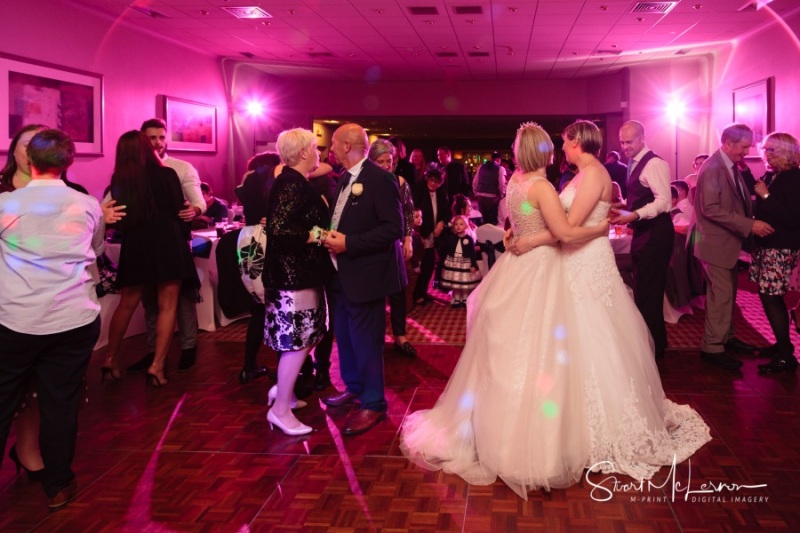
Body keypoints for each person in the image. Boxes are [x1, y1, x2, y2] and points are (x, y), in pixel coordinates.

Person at [400, 120, 711, 499]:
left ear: (577, 142)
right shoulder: (570, 177)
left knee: (593, 342)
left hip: (584, 263)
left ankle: (580, 425)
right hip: (568, 259)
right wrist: (534, 235)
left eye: (564, 141)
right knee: (567, 344)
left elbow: (566, 227)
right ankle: (556, 423)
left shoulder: (585, 175)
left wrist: (530, 237)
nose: (561, 148)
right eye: (557, 143)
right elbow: (562, 226)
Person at [0, 129, 104, 511]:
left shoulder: (7, 204)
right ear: (67, 162)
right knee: (60, 403)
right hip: (72, 318)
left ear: (29, 161)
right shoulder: (87, 204)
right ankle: (58, 485)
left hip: (18, 318)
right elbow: (93, 249)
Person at [321, 123, 405, 436]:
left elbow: (392, 229)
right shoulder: (344, 178)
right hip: (341, 273)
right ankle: (354, 387)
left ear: (346, 146)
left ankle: (374, 403)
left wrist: (348, 244)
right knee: (344, 335)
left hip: (367, 273)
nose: (330, 149)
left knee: (367, 342)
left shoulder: (380, 179)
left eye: (333, 143)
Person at [102, 131, 198, 386]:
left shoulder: (119, 179)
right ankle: (157, 366)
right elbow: (180, 210)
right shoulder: (167, 174)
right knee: (168, 306)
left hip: (135, 245)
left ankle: (110, 359)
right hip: (167, 243)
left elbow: (119, 218)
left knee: (127, 303)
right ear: (148, 148)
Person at [263, 128, 332, 435]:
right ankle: (279, 412)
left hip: (296, 276)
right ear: (304, 153)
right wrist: (317, 235)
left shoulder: (294, 181)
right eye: (316, 148)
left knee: (300, 341)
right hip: (293, 279)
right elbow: (280, 231)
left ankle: (285, 394)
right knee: (297, 343)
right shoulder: (291, 183)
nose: (319, 153)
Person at [126, 118, 206, 375]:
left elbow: (198, 202)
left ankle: (188, 347)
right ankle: (154, 352)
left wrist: (193, 210)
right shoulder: (132, 170)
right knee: (150, 300)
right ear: (142, 140)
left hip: (172, 240)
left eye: (161, 137)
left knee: (181, 298)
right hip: (145, 243)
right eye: (152, 138)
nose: (158, 143)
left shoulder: (180, 168)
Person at [692, 123, 774, 371]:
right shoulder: (713, 167)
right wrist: (750, 225)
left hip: (725, 243)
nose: (747, 151)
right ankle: (712, 347)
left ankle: (726, 337)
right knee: (721, 296)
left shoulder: (729, 164)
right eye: (744, 146)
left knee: (727, 295)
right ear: (728, 144)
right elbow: (711, 208)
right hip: (714, 243)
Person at [610, 120, 674, 360]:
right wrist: (619, 206)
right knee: (645, 292)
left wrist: (634, 215)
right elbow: (639, 198)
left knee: (649, 294)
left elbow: (664, 202)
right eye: (622, 142)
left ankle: (653, 352)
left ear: (642, 138)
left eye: (629, 142)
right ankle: (654, 346)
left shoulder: (654, 163)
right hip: (644, 234)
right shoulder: (634, 163)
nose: (625, 147)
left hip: (656, 235)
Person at [749, 133, 800, 374]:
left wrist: (766, 196)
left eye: (772, 150)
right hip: (767, 245)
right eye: (765, 149)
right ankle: (782, 345)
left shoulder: (794, 178)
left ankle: (785, 355)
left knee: (771, 297)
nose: (766, 154)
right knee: (768, 296)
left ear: (787, 152)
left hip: (781, 247)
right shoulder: (773, 175)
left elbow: (793, 218)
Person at [368, 139, 417, 358]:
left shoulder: (400, 182)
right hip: (372, 244)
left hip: (394, 244)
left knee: (398, 291)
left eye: (390, 161)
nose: (387, 165)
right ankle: (375, 338)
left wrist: (408, 240)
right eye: (381, 161)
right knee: (376, 293)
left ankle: (400, 336)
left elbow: (407, 213)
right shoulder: (365, 182)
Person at [236, 152, 281, 385]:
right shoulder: (271, 181)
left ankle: (248, 367)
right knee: (277, 303)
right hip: (264, 239)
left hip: (246, 239)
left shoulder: (247, 183)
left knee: (258, 306)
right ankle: (285, 367)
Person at [411, 167, 451, 305]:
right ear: (427, 178)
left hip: (435, 234)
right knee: (419, 265)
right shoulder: (418, 190)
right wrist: (418, 233)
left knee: (429, 265)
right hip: (420, 233)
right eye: (431, 180)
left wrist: (441, 223)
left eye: (437, 182)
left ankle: (422, 292)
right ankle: (415, 294)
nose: (433, 184)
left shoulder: (441, 192)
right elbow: (414, 213)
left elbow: (447, 212)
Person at [439, 214, 481, 307]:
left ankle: (465, 298)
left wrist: (473, 264)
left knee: (464, 281)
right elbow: (445, 247)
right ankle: (457, 298)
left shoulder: (469, 239)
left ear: (466, 226)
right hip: (454, 262)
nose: (458, 226)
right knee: (456, 281)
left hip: (465, 262)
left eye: (461, 224)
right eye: (456, 224)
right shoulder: (451, 237)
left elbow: (472, 253)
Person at [472, 151, 507, 225]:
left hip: (480, 196)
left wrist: (475, 192)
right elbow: (502, 184)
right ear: (499, 160)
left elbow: (475, 181)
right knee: (493, 220)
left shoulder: (481, 167)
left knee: (483, 220)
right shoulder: (500, 169)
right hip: (492, 197)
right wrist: (501, 195)